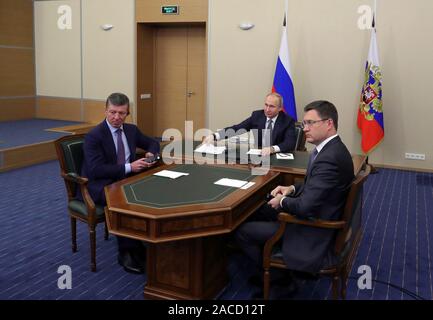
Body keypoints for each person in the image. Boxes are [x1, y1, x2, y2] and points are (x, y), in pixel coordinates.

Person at [235, 100, 354, 296]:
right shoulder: (332, 149)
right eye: (304, 123)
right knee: (260, 210)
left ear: (329, 123)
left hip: (312, 228)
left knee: (242, 231)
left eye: (310, 123)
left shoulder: (329, 158)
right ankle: (274, 263)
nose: (304, 129)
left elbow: (305, 207)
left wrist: (281, 201)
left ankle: (277, 278)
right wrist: (290, 188)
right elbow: (315, 185)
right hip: (320, 211)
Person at [81, 92, 160, 274]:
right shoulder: (94, 136)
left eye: (121, 113)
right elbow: (95, 170)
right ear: (105, 111)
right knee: (126, 199)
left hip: (126, 179)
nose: (116, 117)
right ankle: (126, 252)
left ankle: (141, 241)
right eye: (112, 112)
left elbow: (153, 143)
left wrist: (151, 154)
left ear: (127, 113)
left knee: (151, 192)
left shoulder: (131, 130)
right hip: (101, 184)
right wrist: (129, 167)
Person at [203, 92, 297, 156]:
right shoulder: (257, 115)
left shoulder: (287, 121)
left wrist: (272, 149)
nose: (267, 109)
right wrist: (215, 136)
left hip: (276, 157)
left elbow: (289, 143)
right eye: (266, 105)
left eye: (271, 106)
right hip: (259, 156)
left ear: (280, 108)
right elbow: (237, 128)